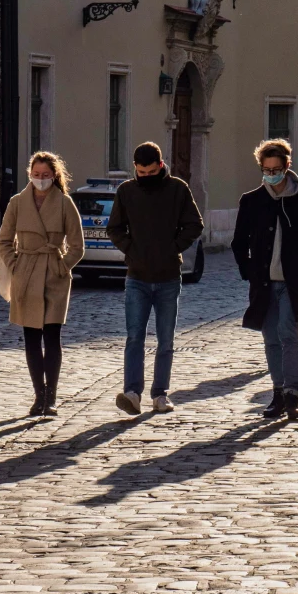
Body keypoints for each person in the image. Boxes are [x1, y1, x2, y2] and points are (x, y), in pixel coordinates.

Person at [107, 142, 204, 415]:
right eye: (141, 173)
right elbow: (114, 228)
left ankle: (160, 394)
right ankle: (132, 393)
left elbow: (195, 224)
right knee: (134, 337)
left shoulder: (177, 189)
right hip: (136, 277)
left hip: (168, 277)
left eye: (151, 172)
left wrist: (172, 247)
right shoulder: (127, 191)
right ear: (135, 169)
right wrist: (131, 249)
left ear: (161, 165)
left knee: (166, 340)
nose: (146, 177)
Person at [231, 139, 298, 420]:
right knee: (271, 337)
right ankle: (278, 392)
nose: (272, 173)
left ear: (286, 167)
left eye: (277, 168)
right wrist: (249, 272)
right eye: (267, 169)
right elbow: (239, 242)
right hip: (263, 283)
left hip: (291, 283)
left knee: (289, 334)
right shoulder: (251, 200)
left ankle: (293, 394)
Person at [0, 151, 85, 417]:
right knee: (31, 337)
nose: (41, 179)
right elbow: (3, 240)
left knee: (52, 335)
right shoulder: (17, 203)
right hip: (26, 274)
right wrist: (16, 266)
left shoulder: (65, 203)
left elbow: (77, 245)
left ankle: (52, 397)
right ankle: (39, 396)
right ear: (29, 174)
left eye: (46, 175)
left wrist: (60, 266)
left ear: (54, 175)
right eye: (36, 175)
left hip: (54, 276)